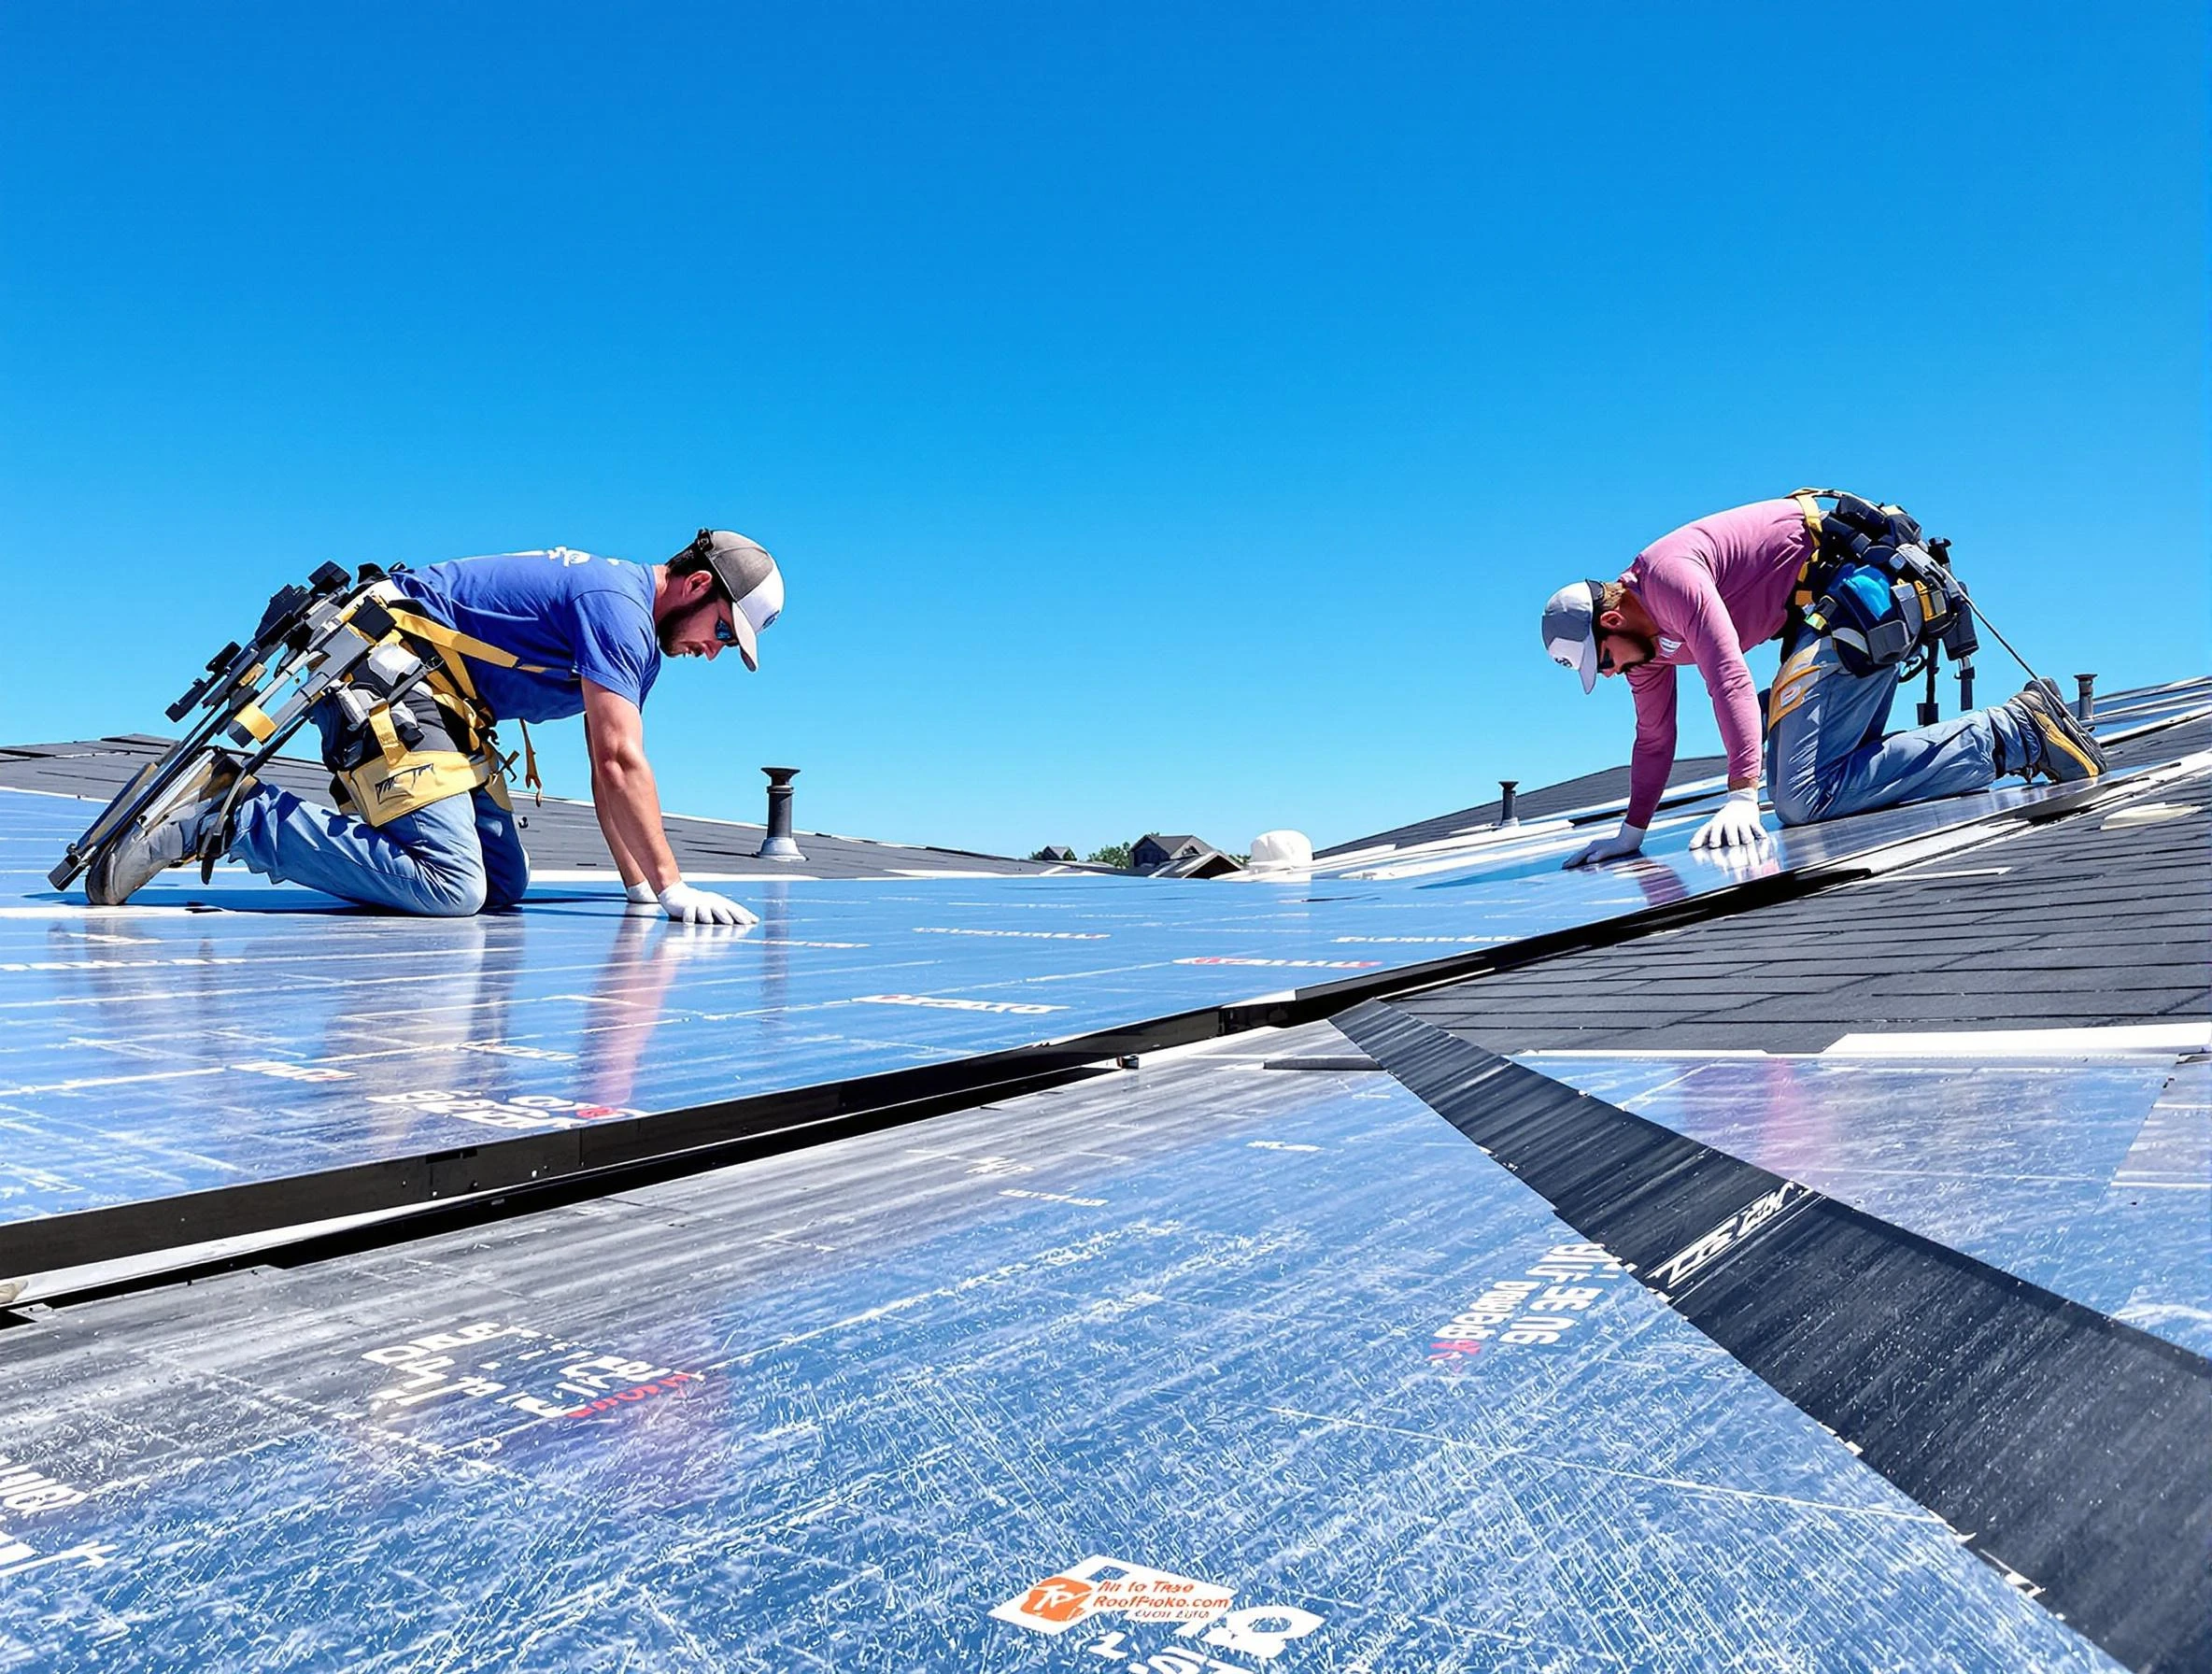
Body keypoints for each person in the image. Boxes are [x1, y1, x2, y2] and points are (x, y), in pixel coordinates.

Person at [87, 530, 784, 922]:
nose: (715, 650)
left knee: (504, 886)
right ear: (696, 586)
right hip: (381, 665)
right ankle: (232, 815)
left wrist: (639, 888)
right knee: (454, 888)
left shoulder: (630, 627)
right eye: (723, 630)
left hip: (439, 698)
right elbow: (618, 762)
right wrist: (674, 887)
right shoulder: (619, 610)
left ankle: (254, 819)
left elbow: (611, 773)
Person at [1538, 495, 2104, 869]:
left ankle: (2018, 733)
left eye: (1604, 662)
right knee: (1824, 776)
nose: (1612, 675)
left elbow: (1727, 675)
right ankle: (2016, 735)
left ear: (1611, 621)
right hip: (1830, 622)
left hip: (1861, 598)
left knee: (1799, 797)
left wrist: (1741, 796)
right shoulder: (1647, 652)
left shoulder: (1669, 577)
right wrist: (1631, 833)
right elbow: (1655, 738)